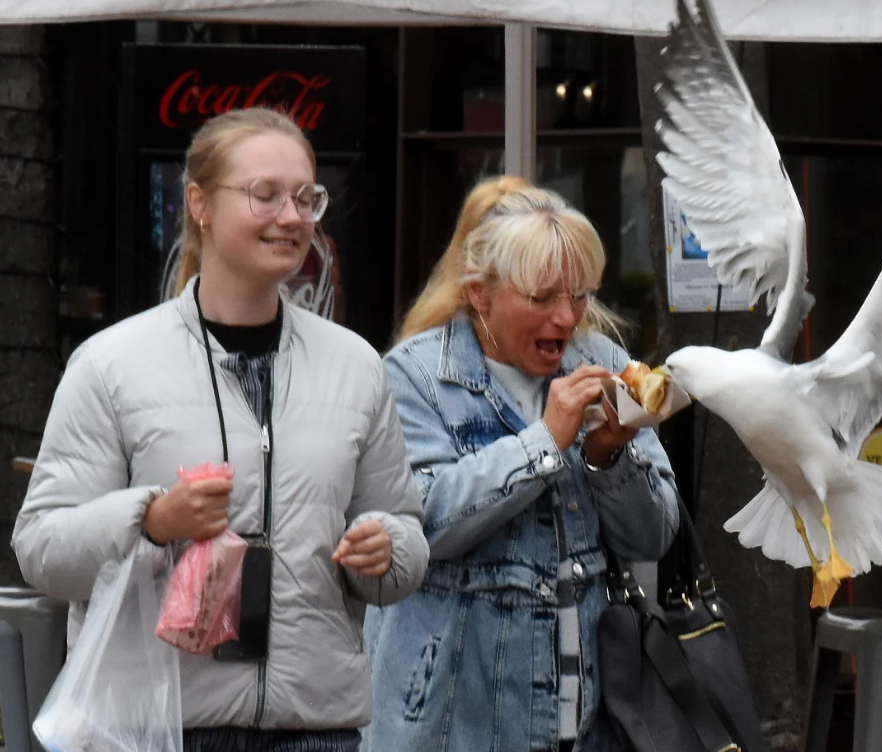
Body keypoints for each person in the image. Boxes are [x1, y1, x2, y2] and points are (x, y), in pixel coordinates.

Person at [12, 107, 429, 752]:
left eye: (305, 198)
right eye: (265, 195)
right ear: (200, 202)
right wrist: (151, 521)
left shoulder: (356, 366)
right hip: (151, 727)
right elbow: (41, 550)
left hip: (312, 728)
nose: (291, 217)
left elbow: (402, 534)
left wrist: (386, 551)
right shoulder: (111, 364)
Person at [363, 176, 681, 752]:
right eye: (542, 298)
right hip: (450, 720)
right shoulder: (412, 375)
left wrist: (609, 455)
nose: (567, 318)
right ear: (480, 293)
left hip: (587, 719)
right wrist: (546, 441)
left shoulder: (606, 363)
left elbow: (653, 535)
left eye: (579, 294)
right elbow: (422, 522)